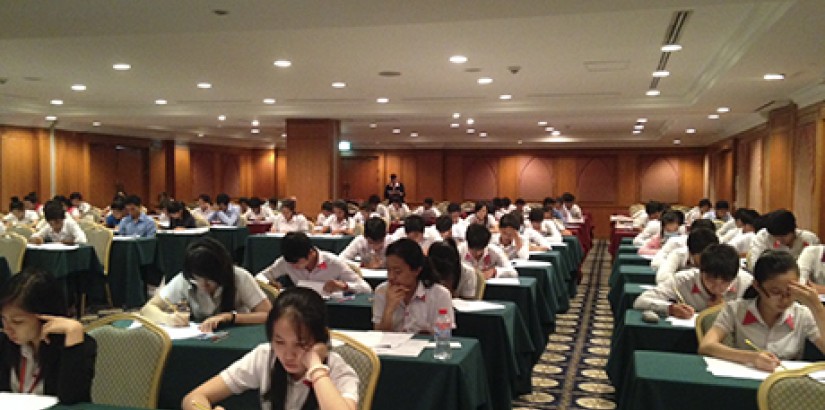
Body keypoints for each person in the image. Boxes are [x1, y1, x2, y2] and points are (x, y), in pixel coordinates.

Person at [182, 287, 359, 410]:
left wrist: (315, 365)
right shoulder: (265, 356)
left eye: (300, 344)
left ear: (319, 338)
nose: (288, 355)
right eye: (279, 342)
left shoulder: (338, 370)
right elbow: (193, 398)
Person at [699, 251, 825, 371]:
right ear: (757, 286)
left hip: (785, 385)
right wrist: (752, 357)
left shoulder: (802, 315)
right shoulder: (736, 310)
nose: (785, 299)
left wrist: (817, 307)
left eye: (790, 292)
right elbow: (706, 346)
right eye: (776, 292)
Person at [0, 268, 96, 403]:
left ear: (45, 317)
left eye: (17, 322)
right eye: (3, 319)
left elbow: (73, 401)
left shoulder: (75, 345)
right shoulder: (4, 343)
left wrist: (74, 332)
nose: (7, 328)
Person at [141, 237, 271, 332]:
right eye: (197, 280)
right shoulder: (186, 278)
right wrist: (169, 319)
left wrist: (230, 317)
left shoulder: (240, 277)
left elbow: (269, 315)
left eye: (209, 281)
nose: (203, 285)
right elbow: (148, 309)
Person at [634, 244, 752, 318]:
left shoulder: (746, 283)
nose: (717, 287)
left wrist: (727, 312)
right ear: (700, 270)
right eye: (710, 280)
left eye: (725, 282)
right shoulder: (683, 280)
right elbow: (640, 301)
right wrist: (670, 308)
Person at [372, 238, 454, 333]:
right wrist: (389, 308)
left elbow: (444, 335)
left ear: (416, 270)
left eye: (397, 272)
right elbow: (379, 335)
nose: (391, 277)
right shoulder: (381, 291)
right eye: (388, 270)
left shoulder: (440, 294)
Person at [256, 232, 371, 294]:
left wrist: (345, 286)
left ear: (311, 253)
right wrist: (269, 284)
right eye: (290, 263)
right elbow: (259, 277)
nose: (293, 266)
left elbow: (366, 289)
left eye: (297, 263)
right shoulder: (286, 262)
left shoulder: (333, 262)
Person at [747, 210, 820, 271]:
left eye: (782, 236)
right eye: (775, 237)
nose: (779, 240)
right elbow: (756, 264)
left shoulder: (809, 238)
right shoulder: (763, 237)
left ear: (793, 230)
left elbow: (817, 266)